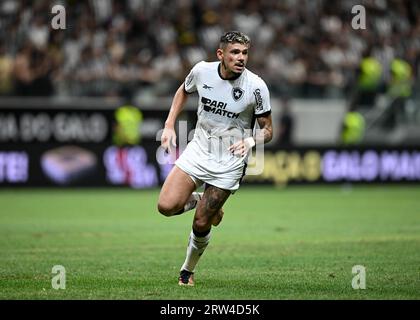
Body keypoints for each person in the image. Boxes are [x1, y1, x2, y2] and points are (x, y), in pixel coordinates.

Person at [157, 31, 273, 286]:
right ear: (221, 54)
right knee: (166, 206)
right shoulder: (202, 71)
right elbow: (183, 90)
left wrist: (251, 141)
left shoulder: (256, 86)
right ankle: (206, 203)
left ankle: (187, 270)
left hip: (229, 162)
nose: (241, 58)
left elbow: (268, 129)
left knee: (201, 221)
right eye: (235, 52)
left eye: (244, 53)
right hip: (199, 150)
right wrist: (169, 124)